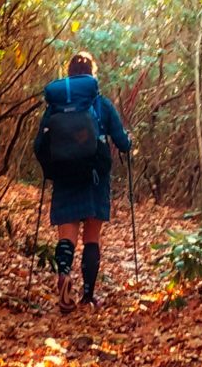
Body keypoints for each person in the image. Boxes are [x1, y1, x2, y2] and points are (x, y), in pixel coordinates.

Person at [34, 50, 133, 308]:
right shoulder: (101, 104)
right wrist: (128, 142)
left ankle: (64, 274)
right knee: (92, 236)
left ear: (68, 76)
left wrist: (50, 168)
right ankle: (88, 295)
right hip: (95, 176)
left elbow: (39, 145)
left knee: (66, 236)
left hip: (65, 175)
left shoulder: (55, 108)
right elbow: (122, 143)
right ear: (92, 76)